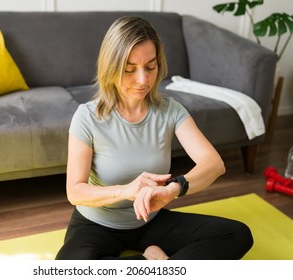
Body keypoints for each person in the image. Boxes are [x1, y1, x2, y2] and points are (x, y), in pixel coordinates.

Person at [56, 16, 253, 260]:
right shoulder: (87, 116)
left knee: (237, 235)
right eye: (130, 69)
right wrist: (125, 191)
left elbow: (214, 164)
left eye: (150, 67)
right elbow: (75, 191)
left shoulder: (171, 111)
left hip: (151, 221)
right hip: (96, 224)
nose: (143, 80)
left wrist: (173, 189)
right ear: (111, 67)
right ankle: (152, 262)